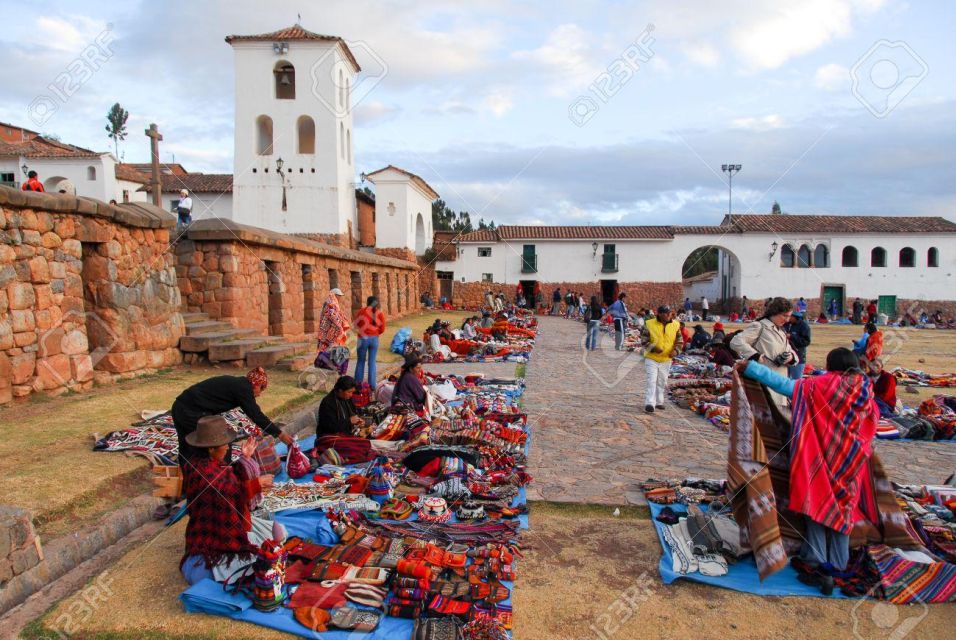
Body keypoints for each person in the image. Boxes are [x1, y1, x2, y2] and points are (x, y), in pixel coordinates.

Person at [741, 347, 877, 594]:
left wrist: (751, 369)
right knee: (843, 510)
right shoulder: (865, 390)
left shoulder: (821, 385)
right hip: (851, 461)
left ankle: (814, 557)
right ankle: (838, 561)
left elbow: (785, 386)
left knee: (817, 504)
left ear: (831, 363)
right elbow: (871, 422)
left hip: (821, 459)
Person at [179, 415, 275, 585]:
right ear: (210, 449)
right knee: (255, 561)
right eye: (225, 445)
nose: (227, 447)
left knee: (275, 533)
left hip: (234, 523)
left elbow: (228, 477)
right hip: (214, 533)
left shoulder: (210, 462)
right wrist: (255, 484)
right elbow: (224, 491)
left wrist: (245, 459)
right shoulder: (200, 470)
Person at [172, 367, 293, 464]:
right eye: (261, 389)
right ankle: (221, 476)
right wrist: (280, 434)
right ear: (256, 384)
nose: (259, 394)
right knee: (219, 443)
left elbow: (252, 412)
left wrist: (260, 428)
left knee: (187, 447)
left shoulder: (240, 385)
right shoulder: (244, 388)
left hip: (179, 406)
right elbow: (256, 414)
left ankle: (187, 483)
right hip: (190, 411)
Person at [730, 296, 797, 405]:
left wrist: (790, 357)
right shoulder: (759, 326)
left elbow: (791, 352)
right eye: (785, 315)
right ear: (775, 312)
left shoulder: (781, 331)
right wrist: (755, 355)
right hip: (763, 384)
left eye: (789, 316)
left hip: (780, 384)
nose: (787, 320)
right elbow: (736, 341)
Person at [643, 305, 682, 413]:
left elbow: (680, 342)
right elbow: (644, 341)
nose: (670, 315)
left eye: (670, 312)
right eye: (667, 313)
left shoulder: (676, 325)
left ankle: (659, 401)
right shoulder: (649, 324)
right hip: (652, 358)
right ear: (660, 314)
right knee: (652, 380)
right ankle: (650, 403)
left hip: (666, 359)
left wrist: (676, 351)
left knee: (662, 380)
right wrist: (654, 348)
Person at [315, 288, 351, 373]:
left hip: (329, 330)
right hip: (329, 331)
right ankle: (325, 365)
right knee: (328, 349)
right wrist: (340, 326)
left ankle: (326, 365)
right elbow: (332, 315)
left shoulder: (331, 303)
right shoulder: (331, 303)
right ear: (335, 295)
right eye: (339, 296)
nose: (340, 298)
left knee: (328, 349)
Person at [353, 296, 385, 387]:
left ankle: (358, 384)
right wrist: (375, 333)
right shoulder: (379, 313)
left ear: (367, 302)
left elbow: (356, 324)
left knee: (360, 361)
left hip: (362, 339)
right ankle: (372, 385)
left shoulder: (362, 311)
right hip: (374, 339)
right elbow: (382, 328)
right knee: (372, 362)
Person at [786, 310, 812, 380]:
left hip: (798, 355)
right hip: (785, 355)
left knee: (796, 379)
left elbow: (806, 342)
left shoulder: (804, 326)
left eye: (789, 316)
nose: (787, 318)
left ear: (795, 317)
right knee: (785, 379)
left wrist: (792, 336)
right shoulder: (786, 324)